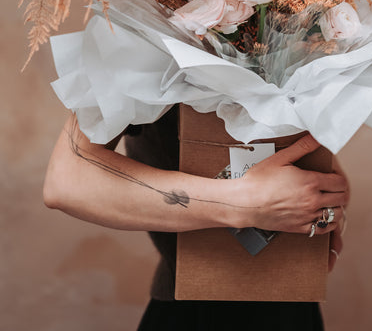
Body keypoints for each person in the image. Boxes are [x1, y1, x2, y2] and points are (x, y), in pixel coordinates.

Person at [44, 104, 349, 331]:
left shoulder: (312, 28)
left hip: (294, 306)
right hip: (192, 309)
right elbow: (67, 182)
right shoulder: (139, 26)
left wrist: (321, 195)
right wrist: (245, 203)